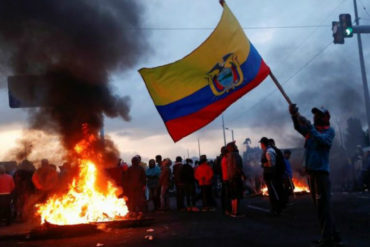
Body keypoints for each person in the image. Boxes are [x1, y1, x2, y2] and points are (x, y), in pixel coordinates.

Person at [289, 104, 341, 246]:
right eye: (315, 114)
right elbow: (298, 128)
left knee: (322, 207)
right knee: (322, 206)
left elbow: (322, 140)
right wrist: (294, 116)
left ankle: (327, 238)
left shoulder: (329, 132)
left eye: (319, 114)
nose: (316, 117)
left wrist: (310, 127)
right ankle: (333, 235)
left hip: (321, 174)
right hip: (312, 174)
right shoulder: (311, 131)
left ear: (326, 117)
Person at [260, 137, 281, 215]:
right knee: (271, 192)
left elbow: (272, 164)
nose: (260, 146)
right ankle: (274, 208)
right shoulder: (267, 150)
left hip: (270, 174)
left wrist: (264, 164)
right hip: (268, 174)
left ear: (263, 144)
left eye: (261, 144)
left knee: (273, 192)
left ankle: (276, 208)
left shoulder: (269, 151)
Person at [225, 142, 245, 217]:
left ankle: (233, 211)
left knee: (233, 196)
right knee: (236, 195)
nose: (236, 146)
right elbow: (238, 167)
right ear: (232, 147)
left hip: (230, 178)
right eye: (234, 145)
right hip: (236, 178)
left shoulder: (229, 156)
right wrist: (243, 175)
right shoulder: (236, 155)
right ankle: (235, 212)